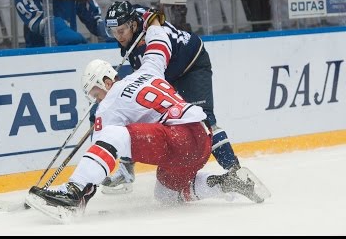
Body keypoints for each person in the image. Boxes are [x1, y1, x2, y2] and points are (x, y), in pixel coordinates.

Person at [26, 11, 266, 220]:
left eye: (95, 91)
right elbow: (159, 39)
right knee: (166, 194)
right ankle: (227, 183)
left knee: (113, 135)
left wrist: (84, 180)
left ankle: (74, 193)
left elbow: (101, 145)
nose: (96, 98)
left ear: (106, 81)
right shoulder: (150, 68)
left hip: (178, 139)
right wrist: (151, 20)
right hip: (201, 139)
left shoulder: (109, 104)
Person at [98, 1, 268, 196]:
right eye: (114, 32)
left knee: (204, 121)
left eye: (121, 31)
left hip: (191, 65)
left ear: (133, 25)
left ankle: (235, 171)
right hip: (167, 72)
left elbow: (154, 26)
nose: (118, 37)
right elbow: (145, 10)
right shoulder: (133, 23)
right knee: (138, 111)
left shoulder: (147, 46)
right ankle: (126, 171)